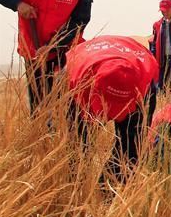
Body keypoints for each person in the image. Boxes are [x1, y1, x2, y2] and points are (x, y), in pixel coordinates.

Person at [0, 0, 92, 110]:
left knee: (68, 102)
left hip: (65, 51)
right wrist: (18, 4)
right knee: (39, 103)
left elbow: (80, 21)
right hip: (33, 49)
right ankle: (42, 133)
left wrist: (52, 46)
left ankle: (66, 134)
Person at [66, 36, 158, 182]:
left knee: (132, 148)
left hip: (135, 68)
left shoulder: (145, 83)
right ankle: (75, 187)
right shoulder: (75, 80)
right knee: (76, 146)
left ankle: (108, 192)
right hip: (87, 67)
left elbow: (135, 141)